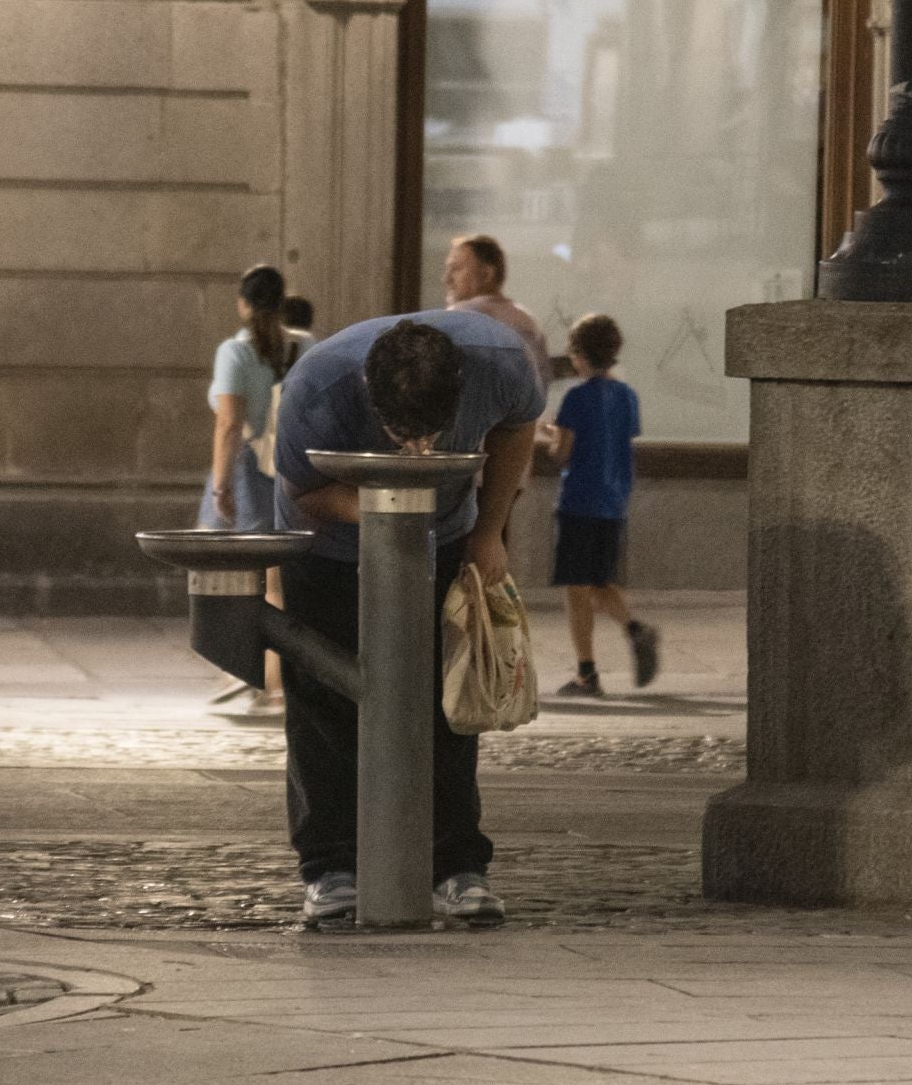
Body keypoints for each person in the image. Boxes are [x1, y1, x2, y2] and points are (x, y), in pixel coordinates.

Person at [273, 313, 543, 925]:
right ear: (369, 391)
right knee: (322, 701)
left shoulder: (499, 362)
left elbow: (518, 429)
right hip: (326, 544)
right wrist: (390, 509)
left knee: (449, 699)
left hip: (443, 535)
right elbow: (304, 491)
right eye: (402, 434)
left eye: (431, 434)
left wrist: (490, 530)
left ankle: (456, 867)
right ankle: (331, 869)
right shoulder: (317, 388)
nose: (418, 449)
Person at [201, 265, 309, 713]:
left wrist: (221, 486)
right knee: (275, 577)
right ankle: (270, 678)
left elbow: (229, 424)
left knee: (221, 567)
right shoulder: (303, 345)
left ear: (242, 303)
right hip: (289, 466)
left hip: (246, 467)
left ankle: (246, 672)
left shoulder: (236, 352)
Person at [536, 314, 659, 697]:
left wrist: (549, 434)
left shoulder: (575, 397)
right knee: (602, 582)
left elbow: (563, 454)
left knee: (578, 591)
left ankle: (587, 673)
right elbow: (617, 439)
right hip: (614, 502)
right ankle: (635, 628)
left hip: (578, 502)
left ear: (579, 355)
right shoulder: (627, 395)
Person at [443, 234, 553, 395]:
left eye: (456, 269)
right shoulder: (528, 321)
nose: (446, 279)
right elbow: (542, 382)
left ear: (487, 274)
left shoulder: (458, 318)